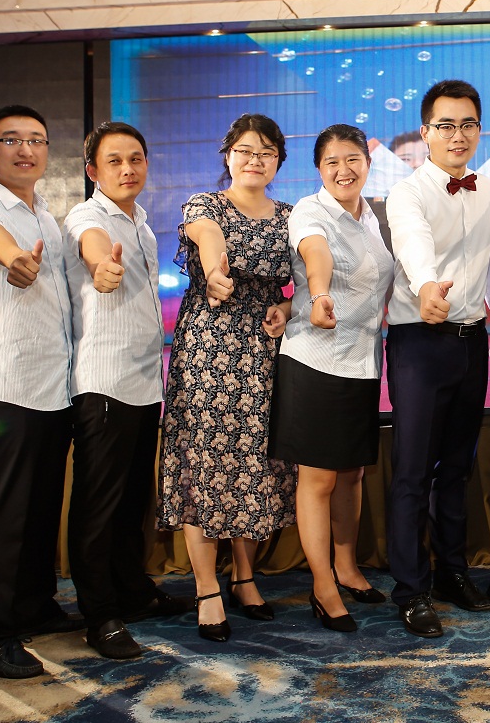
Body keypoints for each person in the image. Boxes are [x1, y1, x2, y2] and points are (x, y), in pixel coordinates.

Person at [158, 114, 296, 642]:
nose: (254, 160)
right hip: (209, 351)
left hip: (264, 350)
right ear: (227, 156)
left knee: (255, 462)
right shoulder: (206, 205)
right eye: (244, 150)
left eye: (265, 152)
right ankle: (206, 588)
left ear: (278, 161)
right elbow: (207, 237)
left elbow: (301, 281)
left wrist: (288, 308)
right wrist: (216, 270)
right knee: (206, 461)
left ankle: (243, 576)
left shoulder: (291, 217)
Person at [63, 122, 193, 661]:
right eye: (113, 161)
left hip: (142, 383)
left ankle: (131, 591)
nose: (127, 169)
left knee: (131, 500)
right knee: (99, 504)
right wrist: (102, 268)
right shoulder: (87, 216)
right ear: (93, 170)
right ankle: (99, 614)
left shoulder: (141, 224)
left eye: (135, 158)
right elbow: (94, 250)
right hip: (103, 382)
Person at [0, 105, 79, 678]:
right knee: (2, 516)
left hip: (54, 387)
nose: (25, 150)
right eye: (11, 140)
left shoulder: (49, 217)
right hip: (6, 386)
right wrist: (15, 262)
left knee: (39, 510)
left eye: (36, 140)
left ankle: (34, 606)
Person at [385, 79, 490, 637]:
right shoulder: (408, 193)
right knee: (413, 470)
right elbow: (413, 243)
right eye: (446, 125)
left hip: (470, 340)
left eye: (468, 125)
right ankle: (411, 589)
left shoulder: (487, 188)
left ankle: (452, 571)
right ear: (425, 132)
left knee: (456, 467)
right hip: (420, 340)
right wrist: (427, 286)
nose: (458, 136)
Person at [269, 124, 395, 632]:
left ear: (367, 162)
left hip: (362, 362)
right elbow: (315, 254)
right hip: (315, 360)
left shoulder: (372, 217)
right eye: (331, 163)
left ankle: (347, 567)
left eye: (352, 159)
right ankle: (322, 585)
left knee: (352, 474)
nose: (343, 170)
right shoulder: (310, 211)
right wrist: (319, 294)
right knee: (318, 478)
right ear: (319, 170)